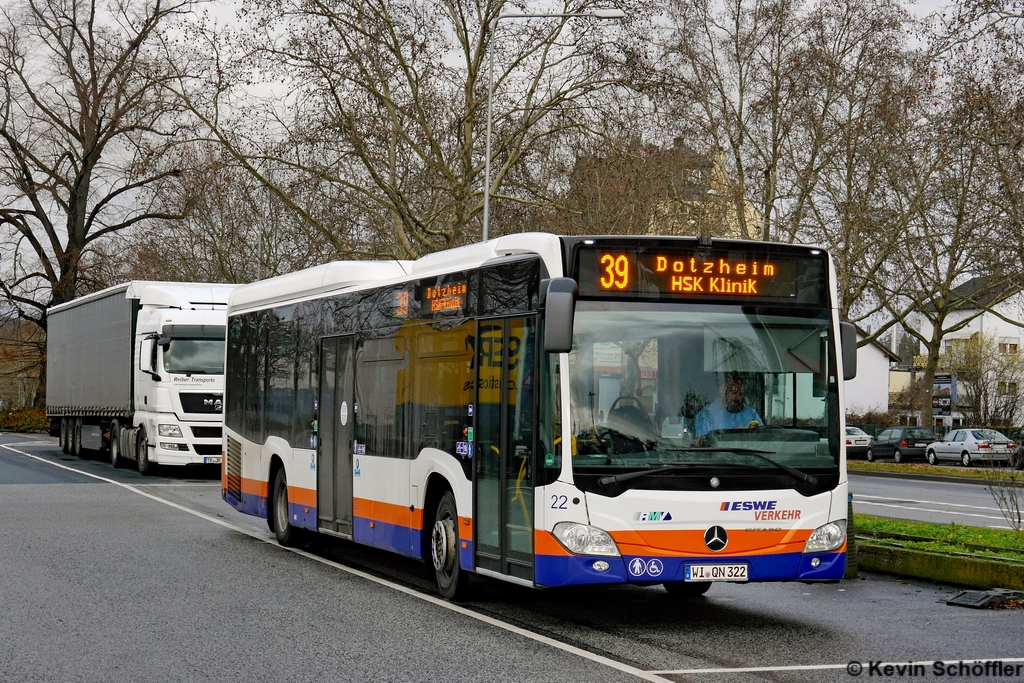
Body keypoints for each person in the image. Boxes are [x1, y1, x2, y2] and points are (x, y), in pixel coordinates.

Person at [695, 373, 762, 437]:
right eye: (734, 393)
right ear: (723, 390)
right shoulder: (705, 415)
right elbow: (702, 444)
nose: (738, 398)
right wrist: (732, 435)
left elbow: (763, 436)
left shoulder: (751, 413)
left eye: (740, 394)